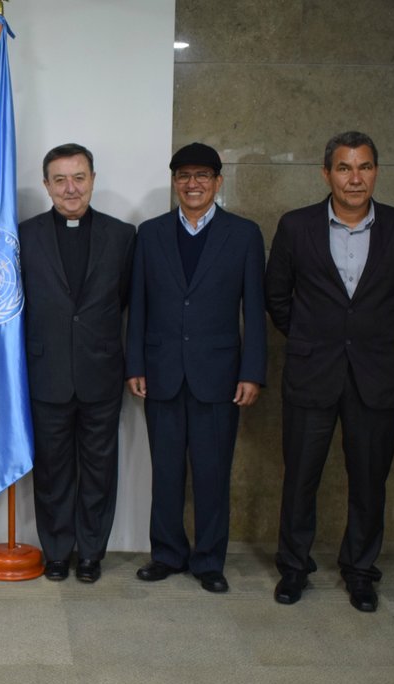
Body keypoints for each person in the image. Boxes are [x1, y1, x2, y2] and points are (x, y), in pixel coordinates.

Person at [264, 131, 394, 611]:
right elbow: (277, 295)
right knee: (300, 478)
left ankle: (360, 571)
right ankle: (294, 568)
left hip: (375, 377)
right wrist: (313, 337)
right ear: (326, 173)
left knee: (368, 479)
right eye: (344, 167)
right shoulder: (297, 227)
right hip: (312, 372)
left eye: (364, 167)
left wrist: (369, 333)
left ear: (376, 171)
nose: (354, 178)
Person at [126, 142, 266, 592]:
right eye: (184, 176)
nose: (193, 184)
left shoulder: (244, 234)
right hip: (162, 371)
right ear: (174, 183)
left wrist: (251, 372)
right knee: (165, 472)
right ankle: (166, 553)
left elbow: (255, 309)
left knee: (211, 473)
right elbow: (139, 306)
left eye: (202, 176)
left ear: (218, 182)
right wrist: (135, 363)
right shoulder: (150, 233)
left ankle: (209, 561)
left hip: (220, 377)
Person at [20, 143, 134, 583]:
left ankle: (90, 552)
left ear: (92, 179)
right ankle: (56, 551)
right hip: (45, 373)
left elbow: (124, 302)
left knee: (100, 471)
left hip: (101, 372)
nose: (71, 188)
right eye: (61, 179)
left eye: (79, 177)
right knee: (52, 472)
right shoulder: (24, 235)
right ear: (46, 185)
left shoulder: (122, 235)